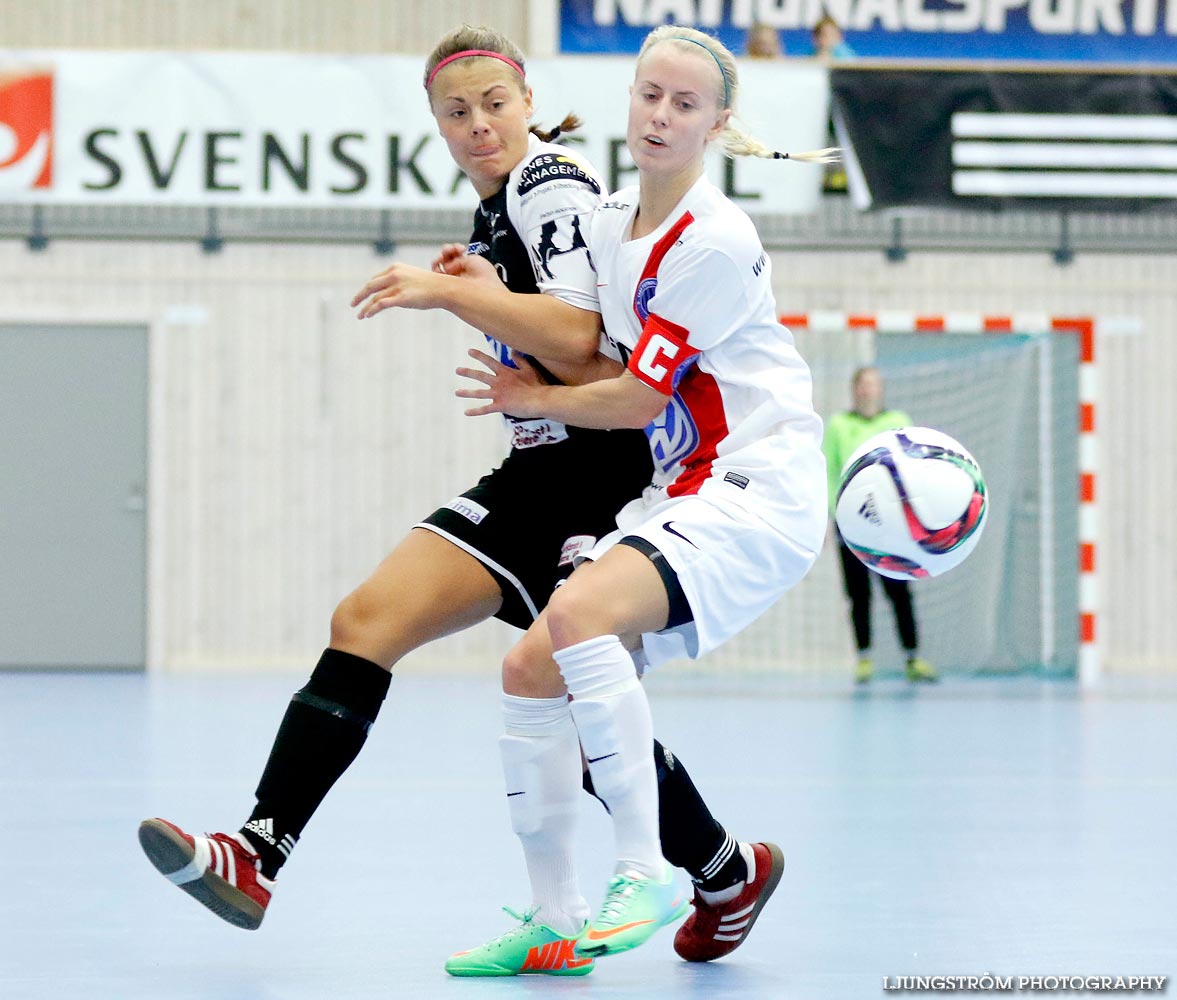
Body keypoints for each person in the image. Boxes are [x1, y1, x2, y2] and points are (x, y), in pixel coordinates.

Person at [136, 24, 776, 976]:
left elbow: (577, 340)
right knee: (365, 621)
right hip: (532, 477)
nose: (478, 125)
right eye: (456, 111)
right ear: (434, 123)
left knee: (581, 710)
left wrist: (451, 298)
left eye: (494, 105)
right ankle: (256, 853)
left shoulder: (548, 184)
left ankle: (723, 871)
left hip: (600, 480)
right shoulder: (494, 214)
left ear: (527, 105)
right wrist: (480, 284)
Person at [452, 25, 834, 967]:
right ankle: (557, 918)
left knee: (577, 616)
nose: (660, 116)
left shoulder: (713, 238)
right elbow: (565, 311)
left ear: (716, 125)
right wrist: (480, 283)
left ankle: (645, 871)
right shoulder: (608, 215)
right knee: (529, 673)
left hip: (756, 484)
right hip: (678, 490)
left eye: (685, 104)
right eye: (649, 95)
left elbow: (637, 395)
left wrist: (534, 397)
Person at [823, 366, 937, 684]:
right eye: (862, 385)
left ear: (881, 389)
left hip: (893, 529)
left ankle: (913, 658)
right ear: (854, 389)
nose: (867, 391)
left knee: (899, 591)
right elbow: (830, 473)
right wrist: (838, 516)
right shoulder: (839, 426)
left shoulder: (897, 423)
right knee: (859, 594)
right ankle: (863, 659)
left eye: (873, 385)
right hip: (853, 527)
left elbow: (913, 470)